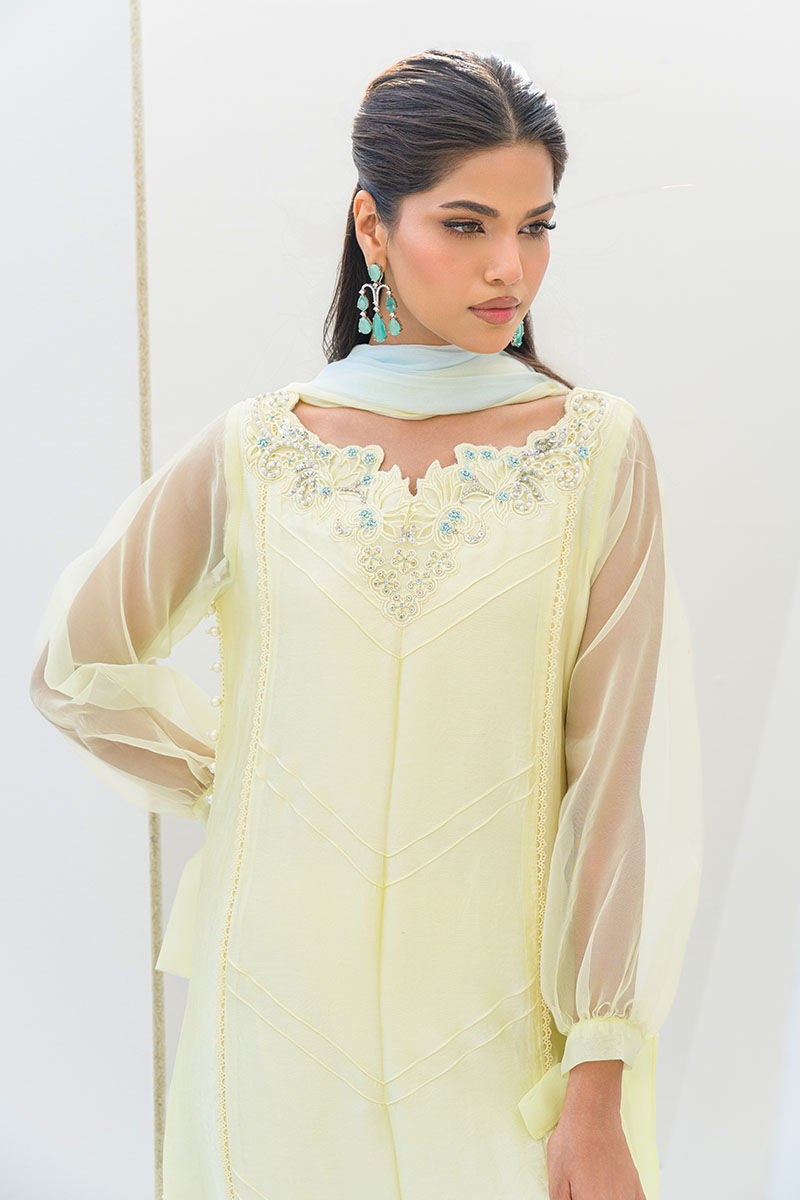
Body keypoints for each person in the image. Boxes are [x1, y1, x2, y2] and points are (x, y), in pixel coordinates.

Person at [29, 47, 703, 1200]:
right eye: (465, 224)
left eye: (534, 226)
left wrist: (595, 1072)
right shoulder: (255, 449)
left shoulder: (595, 452)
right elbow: (74, 668)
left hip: (500, 1029)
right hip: (274, 1008)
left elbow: (613, 784)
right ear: (373, 225)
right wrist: (238, 778)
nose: (508, 267)